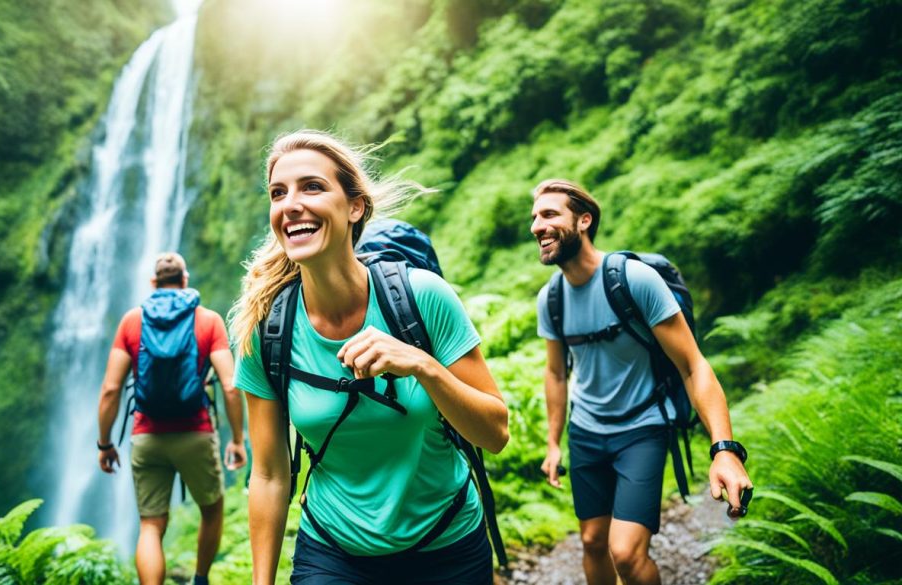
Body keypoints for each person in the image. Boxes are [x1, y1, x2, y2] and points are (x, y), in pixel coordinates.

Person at [230, 130, 509, 585]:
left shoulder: (423, 298)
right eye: (278, 193)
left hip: (447, 545)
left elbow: (494, 433)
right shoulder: (267, 331)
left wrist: (422, 365)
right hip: (334, 552)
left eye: (312, 187)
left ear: (355, 207)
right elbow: (267, 474)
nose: (291, 203)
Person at [530, 179, 753, 585]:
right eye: (534, 218)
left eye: (548, 214)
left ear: (584, 220)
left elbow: (692, 365)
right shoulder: (551, 299)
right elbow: (556, 372)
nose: (536, 226)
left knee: (627, 554)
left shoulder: (634, 279)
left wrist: (724, 449)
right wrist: (552, 442)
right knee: (593, 541)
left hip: (642, 428)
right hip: (586, 433)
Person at [97, 253, 247, 585]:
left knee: (151, 525)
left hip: (146, 435)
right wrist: (237, 439)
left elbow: (110, 389)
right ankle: (201, 578)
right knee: (212, 509)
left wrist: (105, 443)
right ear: (185, 280)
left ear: (153, 283)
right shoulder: (207, 321)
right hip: (196, 433)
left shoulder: (131, 322)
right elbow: (230, 386)